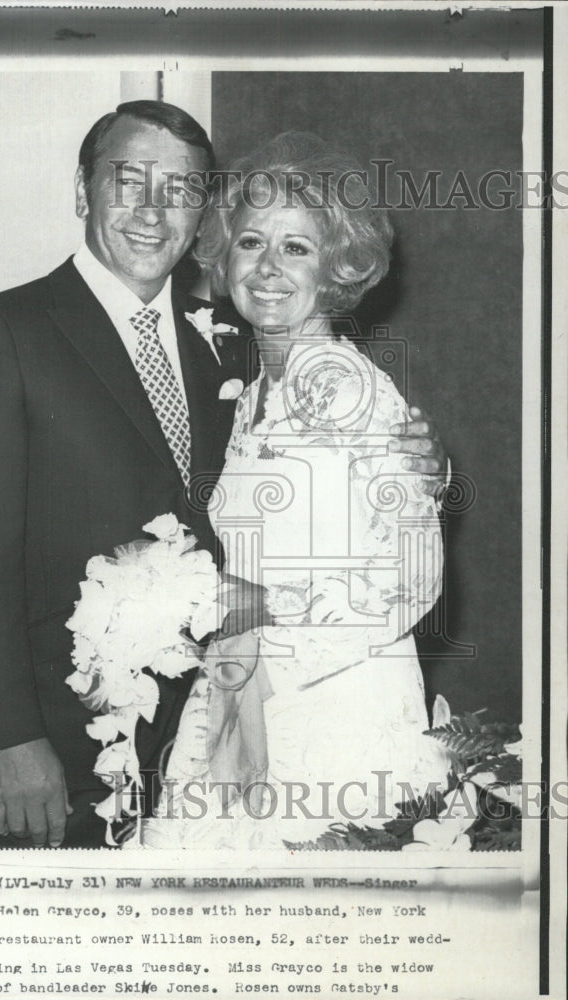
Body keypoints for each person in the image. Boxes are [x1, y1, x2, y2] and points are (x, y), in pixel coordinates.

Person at [0, 102, 446, 850]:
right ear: (82, 190)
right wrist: (3, 741)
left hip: (237, 736)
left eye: (183, 190)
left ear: (201, 214)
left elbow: (367, 514)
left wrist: (421, 464)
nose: (153, 212)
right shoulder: (1, 332)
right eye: (130, 181)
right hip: (64, 753)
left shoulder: (228, 349)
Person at [142, 132, 449, 849]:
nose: (268, 268)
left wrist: (262, 624)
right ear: (223, 257)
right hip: (242, 695)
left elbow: (412, 573)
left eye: (297, 248)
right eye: (251, 243)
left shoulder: (351, 390)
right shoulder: (252, 393)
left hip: (333, 708)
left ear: (337, 267)